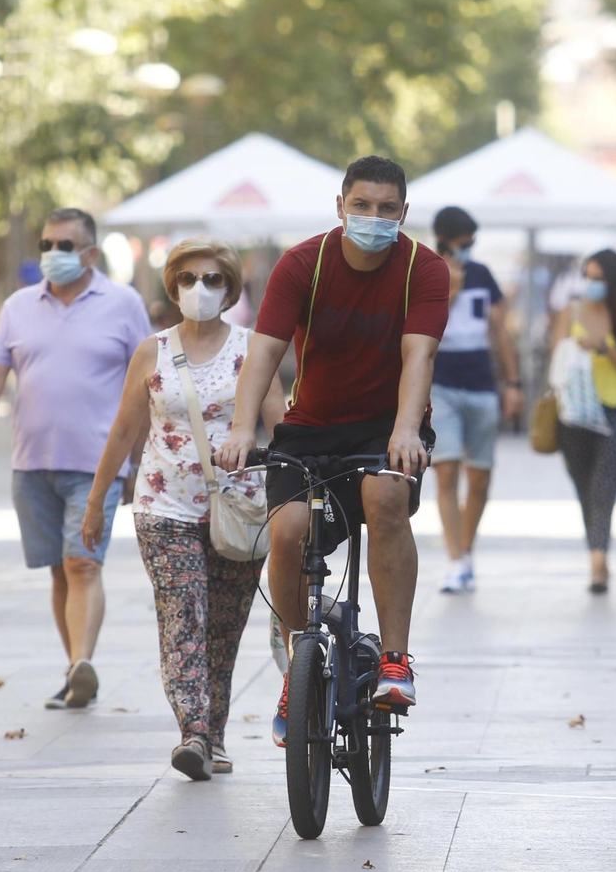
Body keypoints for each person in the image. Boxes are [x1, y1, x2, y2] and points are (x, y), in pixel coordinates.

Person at [214, 155, 448, 745]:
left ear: (404, 213)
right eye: (362, 206)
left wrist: (405, 430)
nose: (374, 218)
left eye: (387, 209)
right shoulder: (302, 264)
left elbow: (418, 355)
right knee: (289, 531)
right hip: (311, 425)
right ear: (340, 206)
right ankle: (300, 666)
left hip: (386, 425)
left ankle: (395, 659)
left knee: (385, 495)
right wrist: (243, 428)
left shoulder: (425, 268)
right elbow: (263, 353)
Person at [80, 240, 286, 780]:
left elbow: (282, 426)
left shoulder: (252, 349)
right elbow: (126, 428)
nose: (201, 289)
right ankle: (193, 732)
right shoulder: (152, 351)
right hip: (161, 505)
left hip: (239, 509)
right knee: (184, 618)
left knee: (223, 627)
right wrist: (98, 500)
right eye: (190, 278)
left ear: (231, 288)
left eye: (214, 279)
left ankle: (213, 736)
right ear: (172, 287)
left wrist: (293, 504)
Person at [0, 208, 152, 711]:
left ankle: (80, 663)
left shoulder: (123, 303)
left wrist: (138, 462)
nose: (54, 254)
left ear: (91, 253)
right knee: (57, 570)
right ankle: (76, 671)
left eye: (66, 246)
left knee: (81, 564)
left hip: (97, 466)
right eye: (47, 244)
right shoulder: (18, 306)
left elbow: (147, 388)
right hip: (31, 466)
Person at [429, 206, 523, 594]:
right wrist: (449, 290)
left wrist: (514, 382)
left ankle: (466, 551)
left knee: (480, 475)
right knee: (447, 470)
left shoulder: (483, 275)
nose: (468, 248)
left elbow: (500, 329)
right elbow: (423, 328)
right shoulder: (427, 274)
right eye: (462, 241)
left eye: (471, 241)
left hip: (482, 384)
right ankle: (455, 559)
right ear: (445, 239)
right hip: (441, 385)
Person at [549, 249, 616, 594]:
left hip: (615, 413)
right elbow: (555, 356)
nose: (591, 284)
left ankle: (598, 563)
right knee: (585, 490)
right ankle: (597, 551)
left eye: (599, 278)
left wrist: (604, 349)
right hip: (572, 416)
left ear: (614, 282)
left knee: (603, 489)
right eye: (587, 276)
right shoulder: (570, 312)